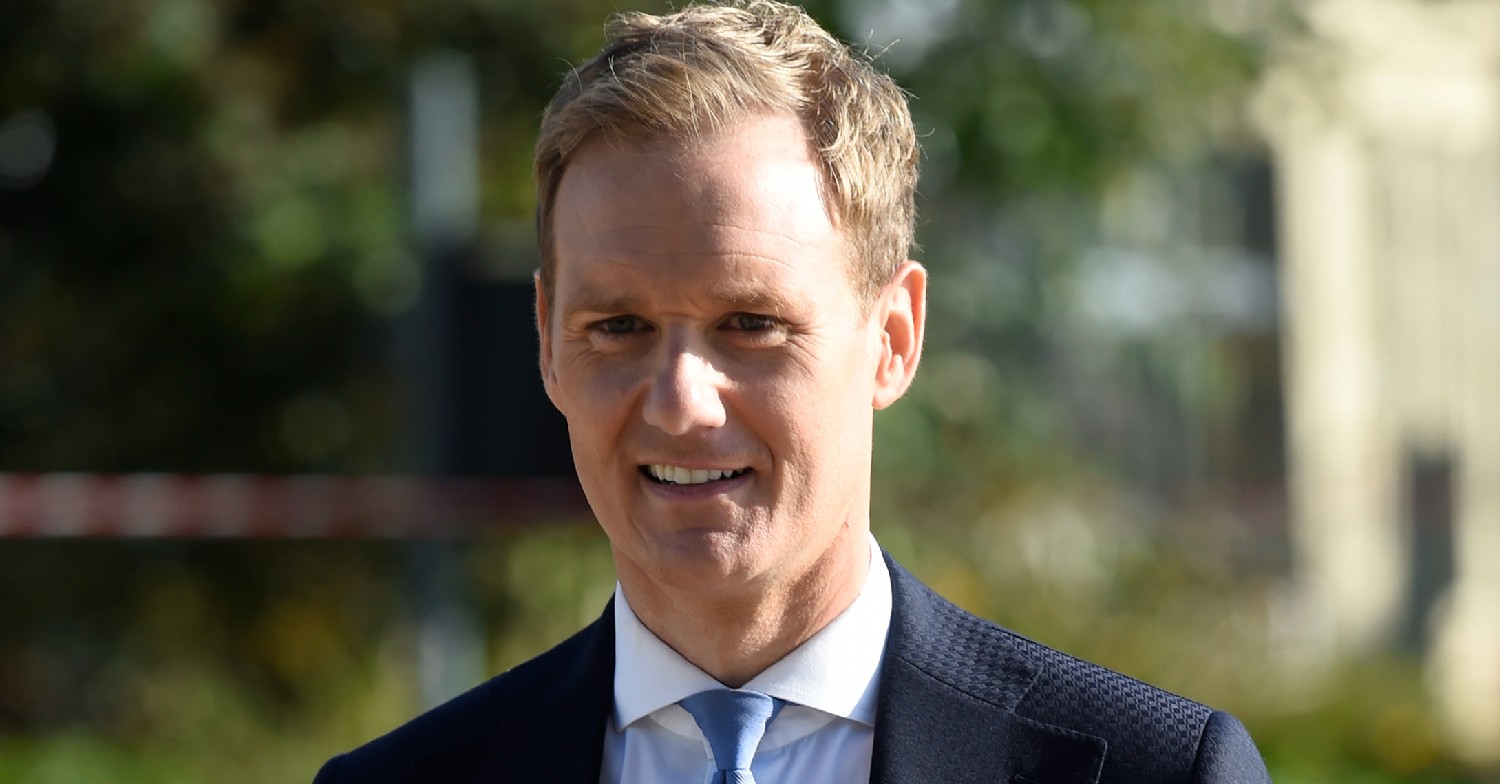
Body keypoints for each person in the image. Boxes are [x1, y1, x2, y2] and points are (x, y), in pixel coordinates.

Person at [314, 2, 1272, 782]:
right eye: (619, 327)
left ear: (893, 339)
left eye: (751, 324)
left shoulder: (1154, 773)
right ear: (547, 347)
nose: (681, 402)